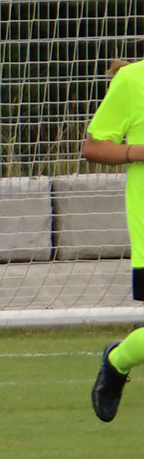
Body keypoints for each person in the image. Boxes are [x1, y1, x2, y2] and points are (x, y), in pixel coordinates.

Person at [85, 57, 144, 421]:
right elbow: (94, 147)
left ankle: (118, 358)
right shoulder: (133, 80)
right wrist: (138, 151)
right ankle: (117, 361)